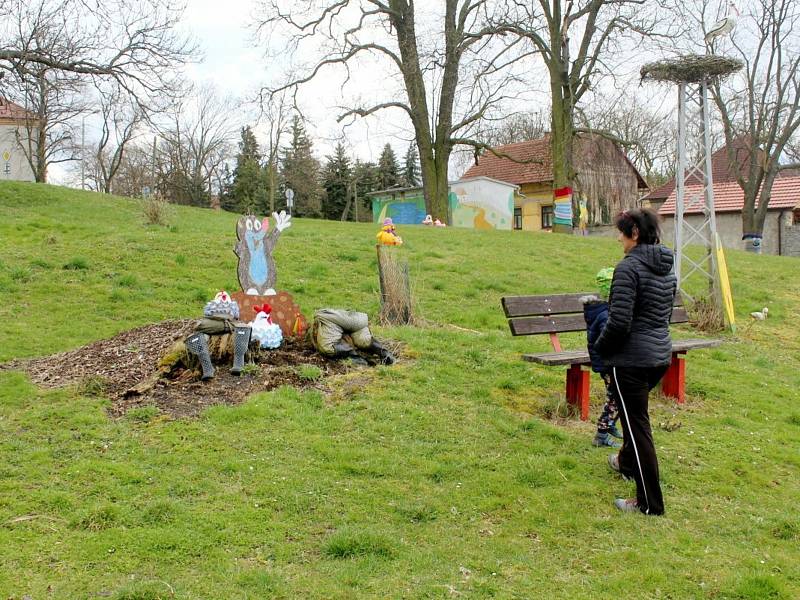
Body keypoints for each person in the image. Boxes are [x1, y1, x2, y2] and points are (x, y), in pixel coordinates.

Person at [594, 208, 677, 516]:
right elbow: (662, 317)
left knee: (637, 426)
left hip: (631, 360)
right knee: (633, 418)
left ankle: (648, 504)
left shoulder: (628, 268)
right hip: (658, 357)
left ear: (635, 233)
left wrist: (600, 352)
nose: (618, 238)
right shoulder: (667, 267)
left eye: (622, 232)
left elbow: (618, 324)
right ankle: (626, 463)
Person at [581, 267, 622, 448]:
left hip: (607, 362)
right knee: (615, 397)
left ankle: (610, 424)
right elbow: (608, 341)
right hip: (609, 363)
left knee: (617, 396)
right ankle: (602, 433)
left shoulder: (602, 311)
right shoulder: (605, 315)